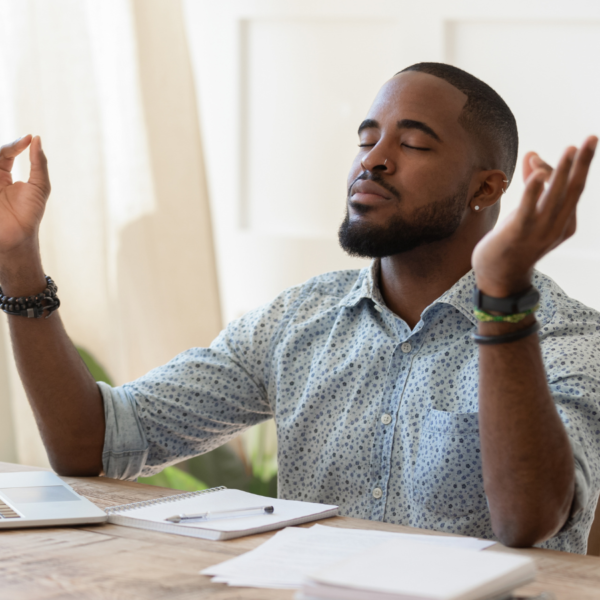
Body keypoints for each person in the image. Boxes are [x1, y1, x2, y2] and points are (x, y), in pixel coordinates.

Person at [0, 62, 598, 553]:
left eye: (412, 142)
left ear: (486, 189)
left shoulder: (570, 339)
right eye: (366, 140)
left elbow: (530, 521)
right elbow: (94, 444)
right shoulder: (297, 321)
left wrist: (503, 297)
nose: (374, 159)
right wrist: (18, 262)